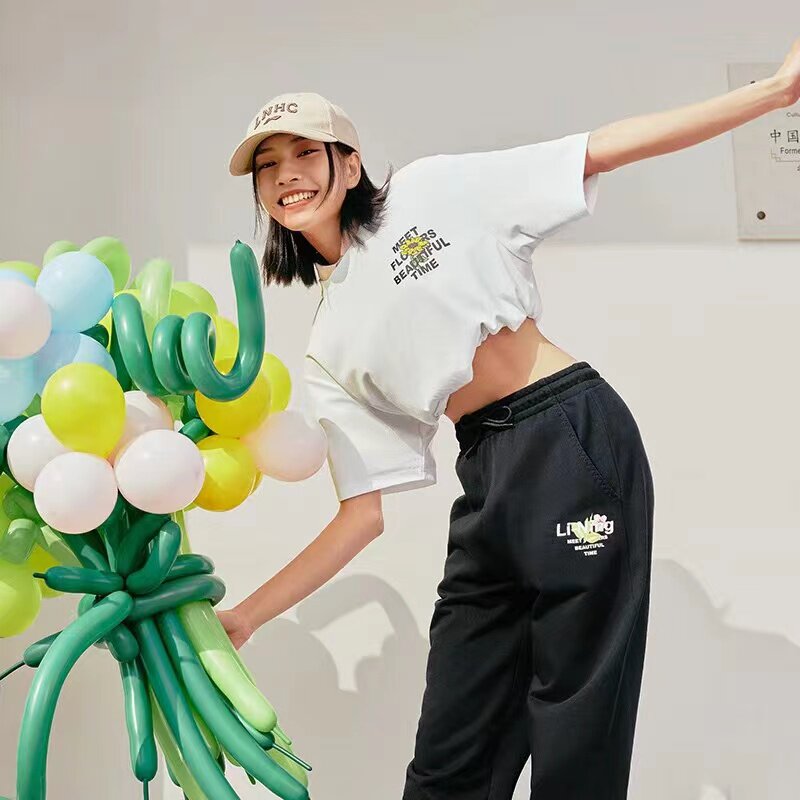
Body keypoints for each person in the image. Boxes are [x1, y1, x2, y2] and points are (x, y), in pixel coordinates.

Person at [217, 52, 799, 800]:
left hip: (567, 434)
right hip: (487, 473)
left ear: (350, 163)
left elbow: (600, 149)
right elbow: (360, 516)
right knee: (449, 759)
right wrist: (248, 616)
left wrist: (773, 93)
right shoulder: (328, 342)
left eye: (305, 152)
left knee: (575, 730)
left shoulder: (428, 191)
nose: (287, 175)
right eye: (268, 165)